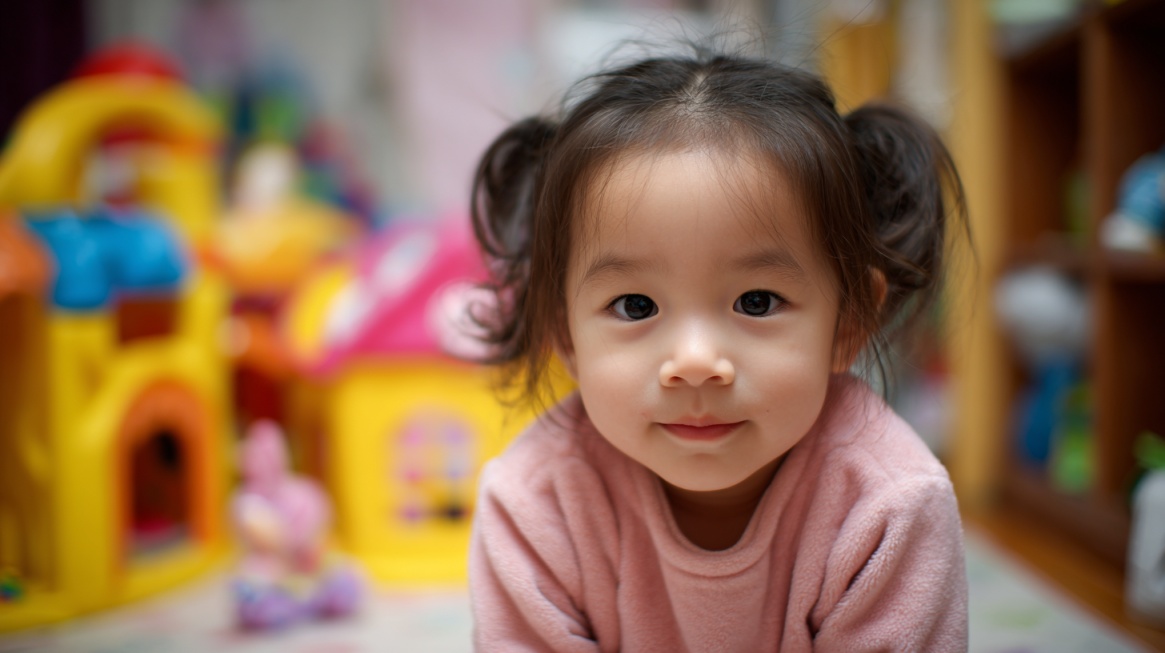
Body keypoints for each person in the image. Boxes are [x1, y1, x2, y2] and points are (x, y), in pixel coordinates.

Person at [467, 45, 969, 652]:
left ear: (848, 322)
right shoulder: (534, 503)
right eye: (635, 306)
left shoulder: (890, 506)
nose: (697, 362)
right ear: (564, 334)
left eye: (756, 301)